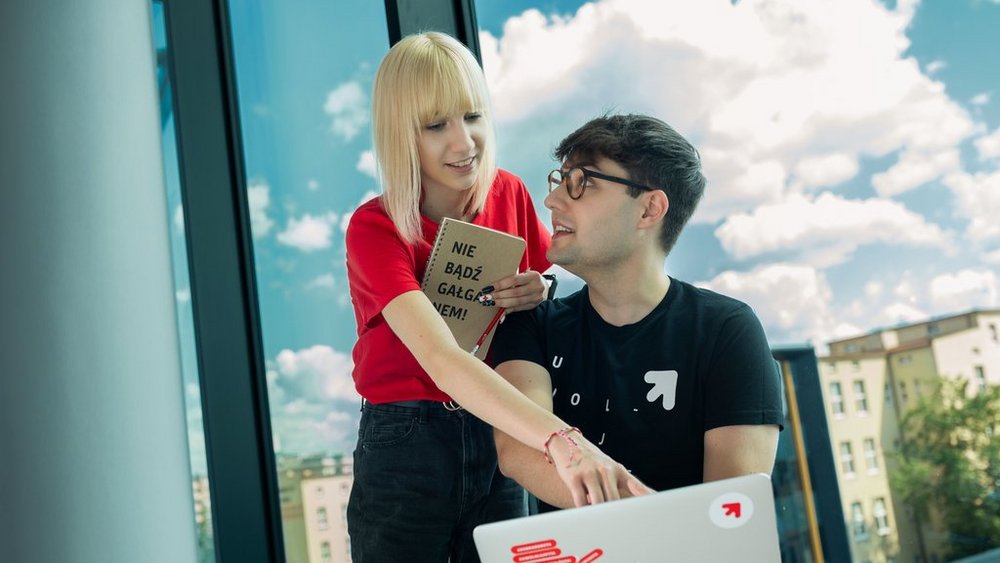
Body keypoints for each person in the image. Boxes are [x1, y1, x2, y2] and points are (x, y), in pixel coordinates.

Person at [344, 33, 644, 562]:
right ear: (399, 133)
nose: (464, 144)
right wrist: (563, 440)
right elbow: (442, 359)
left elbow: (555, 277)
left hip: (502, 426)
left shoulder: (508, 192)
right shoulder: (375, 228)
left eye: (472, 116)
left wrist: (540, 288)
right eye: (436, 125)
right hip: (406, 440)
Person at [491, 113, 784, 512]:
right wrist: (655, 519)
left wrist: (647, 529)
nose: (553, 200)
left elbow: (730, 511)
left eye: (582, 182)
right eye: (560, 180)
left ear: (649, 209)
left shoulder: (726, 330)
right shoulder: (532, 325)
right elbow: (519, 450)